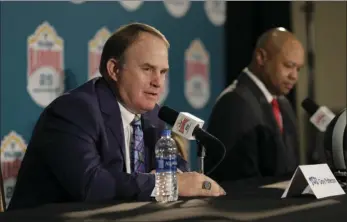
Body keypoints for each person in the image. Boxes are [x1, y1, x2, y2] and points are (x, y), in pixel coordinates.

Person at [8, 23, 225, 210]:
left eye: (163, 72)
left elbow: (177, 170)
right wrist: (164, 184)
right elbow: (91, 185)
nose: (158, 82)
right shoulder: (73, 111)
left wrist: (181, 179)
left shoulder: (153, 115)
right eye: (147, 69)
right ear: (114, 69)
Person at [205, 28, 305, 182]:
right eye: (288, 66)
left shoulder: (283, 104)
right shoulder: (235, 103)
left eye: (298, 69)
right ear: (261, 57)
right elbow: (236, 180)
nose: (294, 76)